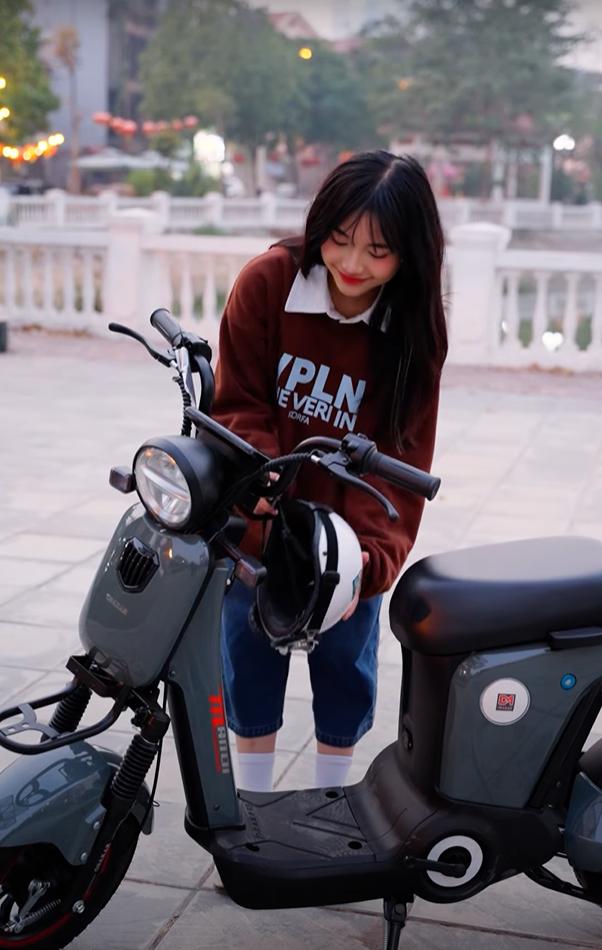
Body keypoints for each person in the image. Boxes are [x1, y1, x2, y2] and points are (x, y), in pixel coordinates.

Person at [212, 149, 447, 793]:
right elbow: (237, 401)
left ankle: (330, 798)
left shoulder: (413, 328)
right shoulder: (269, 283)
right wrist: (259, 486)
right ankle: (252, 800)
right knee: (247, 655)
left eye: (378, 251)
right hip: (263, 518)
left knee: (346, 666)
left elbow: (403, 455)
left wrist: (369, 559)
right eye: (340, 239)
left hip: (348, 537)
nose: (352, 263)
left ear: (409, 254)